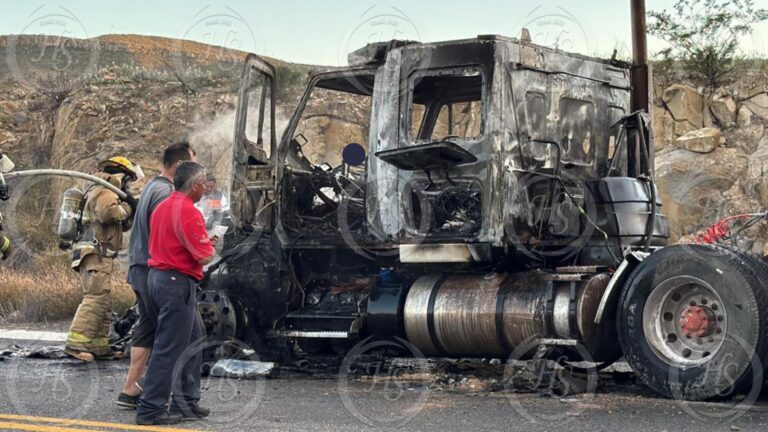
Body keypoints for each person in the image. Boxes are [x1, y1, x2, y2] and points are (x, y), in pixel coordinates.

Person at [117, 142, 196, 409]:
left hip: (140, 268)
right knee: (170, 334)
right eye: (191, 167)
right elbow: (170, 232)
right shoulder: (165, 193)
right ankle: (154, 398)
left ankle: (131, 389)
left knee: (148, 326)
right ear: (178, 167)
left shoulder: (152, 185)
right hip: (156, 270)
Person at [136, 161, 216, 426]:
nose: (206, 187)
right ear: (194, 186)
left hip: (158, 278)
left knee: (194, 337)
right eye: (204, 182)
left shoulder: (163, 206)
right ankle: (150, 408)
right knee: (169, 347)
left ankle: (187, 402)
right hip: (176, 282)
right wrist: (211, 245)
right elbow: (204, 256)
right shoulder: (188, 211)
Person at [65, 156, 140, 362]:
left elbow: (119, 225)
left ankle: (99, 345)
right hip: (95, 254)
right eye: (128, 179)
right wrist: (129, 207)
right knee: (95, 298)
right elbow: (108, 214)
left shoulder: (101, 189)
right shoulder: (105, 189)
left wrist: (128, 211)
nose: (128, 184)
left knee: (103, 300)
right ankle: (76, 344)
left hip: (99, 254)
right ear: (121, 174)